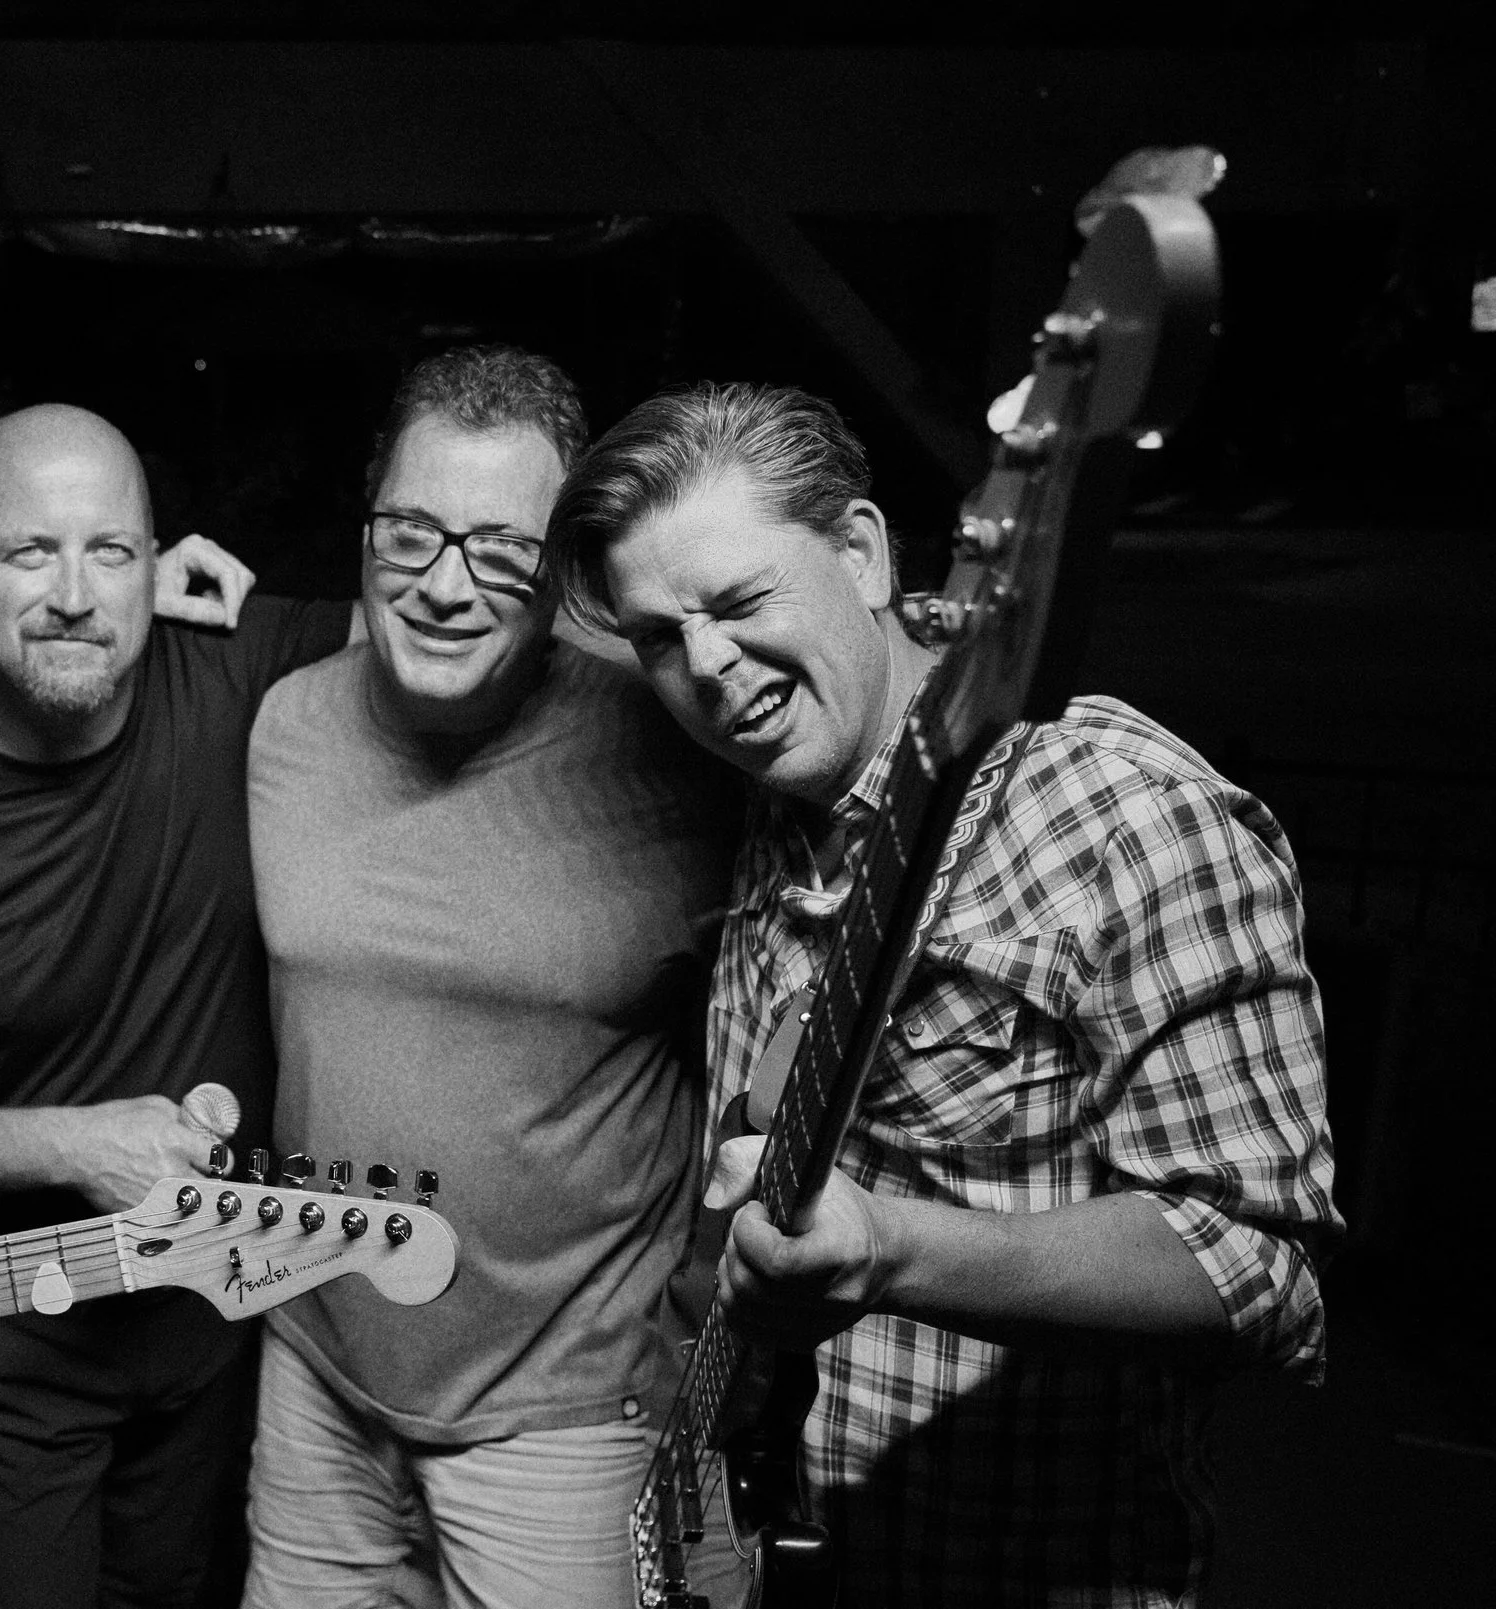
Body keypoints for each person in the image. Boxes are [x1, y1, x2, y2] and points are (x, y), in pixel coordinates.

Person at [545, 380, 1343, 1608]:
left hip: (1016, 1562)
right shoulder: (782, 784)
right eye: (659, 634)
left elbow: (1254, 1269)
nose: (705, 665)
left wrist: (900, 1250)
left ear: (860, 551)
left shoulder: (1126, 816)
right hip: (779, 1527)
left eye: (742, 599)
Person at [239, 346, 741, 1609]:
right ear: (364, 535)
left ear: (564, 566)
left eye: (501, 548)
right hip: (313, 1370)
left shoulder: (672, 742)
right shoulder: (282, 722)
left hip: (564, 1417)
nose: (447, 586)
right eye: (412, 533)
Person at [0, 403, 353, 1609]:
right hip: (1, 1363)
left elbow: (489, 612)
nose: (74, 593)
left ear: (159, 564)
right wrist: (75, 1145)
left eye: (109, 552)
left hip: (213, 1333)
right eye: (31, 554)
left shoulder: (235, 665)